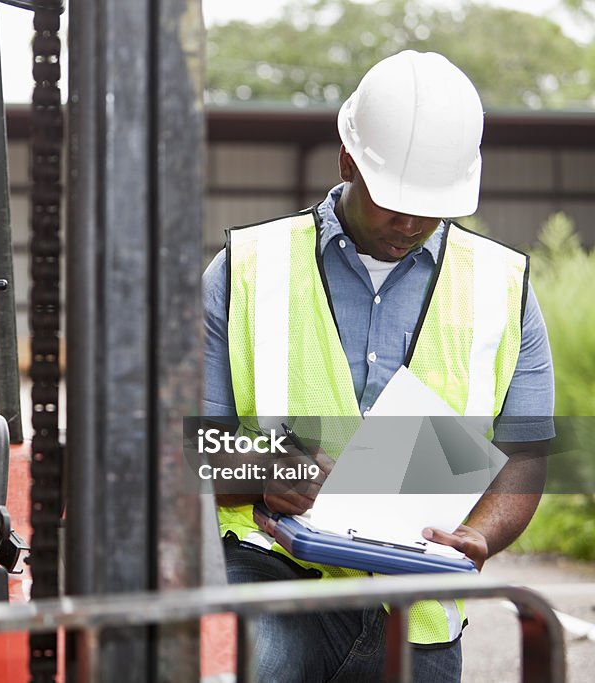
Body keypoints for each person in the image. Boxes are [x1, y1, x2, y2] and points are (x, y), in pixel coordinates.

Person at [202, 50, 554, 682]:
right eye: (394, 198)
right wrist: (261, 474)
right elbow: (188, 449)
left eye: (432, 203)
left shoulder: (504, 286)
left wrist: (480, 537)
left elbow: (525, 452)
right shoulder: (244, 271)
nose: (411, 221)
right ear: (347, 159)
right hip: (273, 573)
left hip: (419, 602)